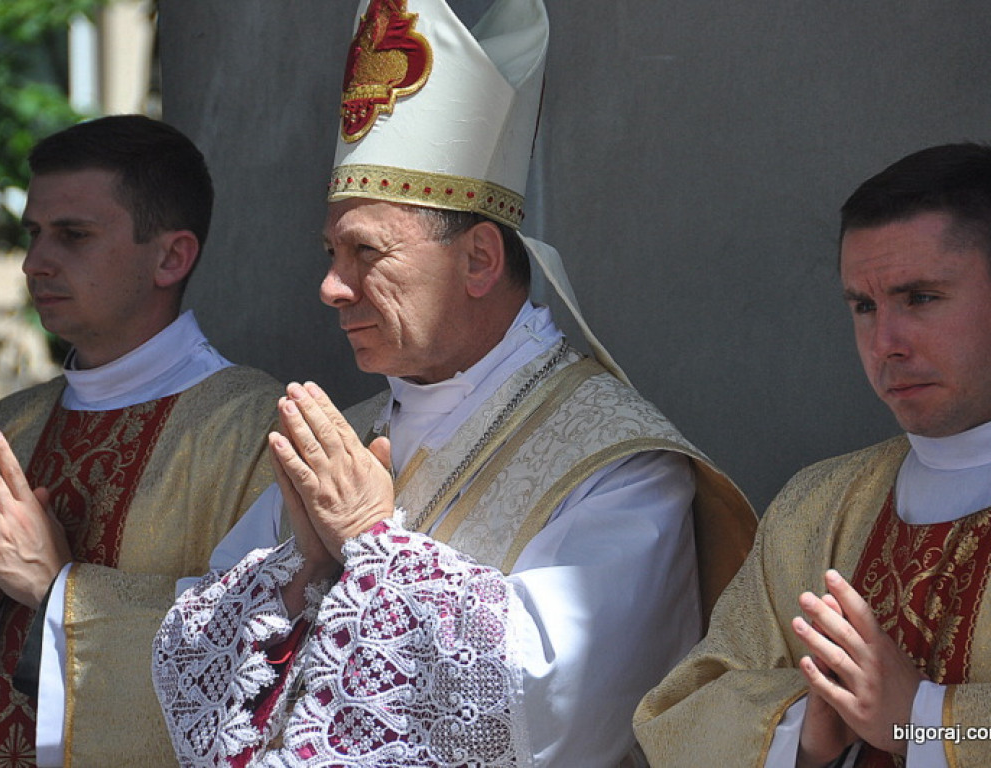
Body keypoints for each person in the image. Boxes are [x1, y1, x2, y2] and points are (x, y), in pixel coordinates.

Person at [151, 1, 757, 766]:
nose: (331, 287)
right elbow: (190, 655)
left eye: (366, 253)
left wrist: (371, 541)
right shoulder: (348, 435)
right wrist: (304, 568)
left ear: (478, 260)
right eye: (331, 253)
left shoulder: (617, 462)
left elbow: (560, 706)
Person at [634, 141, 991, 768]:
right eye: (864, 306)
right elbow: (680, 714)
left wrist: (925, 721)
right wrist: (799, 730)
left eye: (920, 297)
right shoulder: (817, 506)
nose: (884, 343)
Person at [0, 114, 282, 767]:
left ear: (171, 257)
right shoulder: (2, 430)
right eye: (33, 233)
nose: (33, 263)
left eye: (73, 235)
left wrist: (59, 589)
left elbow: (261, 661)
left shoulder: (255, 433)